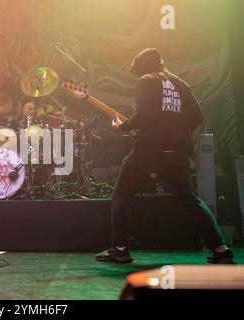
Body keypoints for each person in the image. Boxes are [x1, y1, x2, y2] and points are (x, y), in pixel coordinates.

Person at [96, 48, 235, 264]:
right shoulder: (181, 84)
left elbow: (144, 115)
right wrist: (177, 133)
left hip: (148, 152)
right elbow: (197, 116)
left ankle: (120, 249)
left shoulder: (146, 80)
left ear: (143, 66)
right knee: (190, 200)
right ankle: (220, 249)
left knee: (122, 194)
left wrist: (122, 126)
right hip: (176, 154)